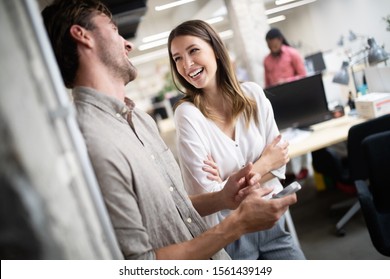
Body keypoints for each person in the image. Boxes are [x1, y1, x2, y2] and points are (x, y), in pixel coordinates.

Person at [41, 0, 298, 260]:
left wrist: (222, 197)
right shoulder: (89, 140)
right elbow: (140, 264)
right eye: (114, 30)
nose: (127, 43)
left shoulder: (140, 120)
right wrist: (238, 223)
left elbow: (178, 207)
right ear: (82, 35)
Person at [168, 20, 305, 260]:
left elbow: (281, 163)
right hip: (229, 236)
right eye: (177, 58)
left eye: (193, 51)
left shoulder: (253, 94)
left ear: (216, 51)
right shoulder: (187, 114)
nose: (186, 64)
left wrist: (228, 181)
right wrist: (264, 163)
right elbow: (210, 194)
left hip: (272, 221)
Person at [263, 27, 308, 182]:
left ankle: (304, 167)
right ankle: (287, 171)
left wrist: (286, 82)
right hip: (279, 103)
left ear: (280, 40)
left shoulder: (292, 53)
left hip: (295, 99)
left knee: (301, 134)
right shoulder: (266, 60)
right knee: (281, 137)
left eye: (273, 44)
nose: (271, 48)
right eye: (269, 46)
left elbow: (303, 76)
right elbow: (267, 83)